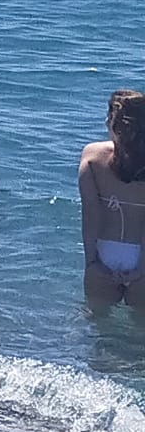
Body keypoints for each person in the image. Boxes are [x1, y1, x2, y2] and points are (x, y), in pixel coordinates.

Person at [80, 91, 145, 308]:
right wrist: (141, 269)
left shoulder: (92, 155)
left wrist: (91, 262)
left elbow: (91, 214)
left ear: (112, 122)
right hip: (141, 255)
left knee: (97, 328)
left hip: (104, 252)